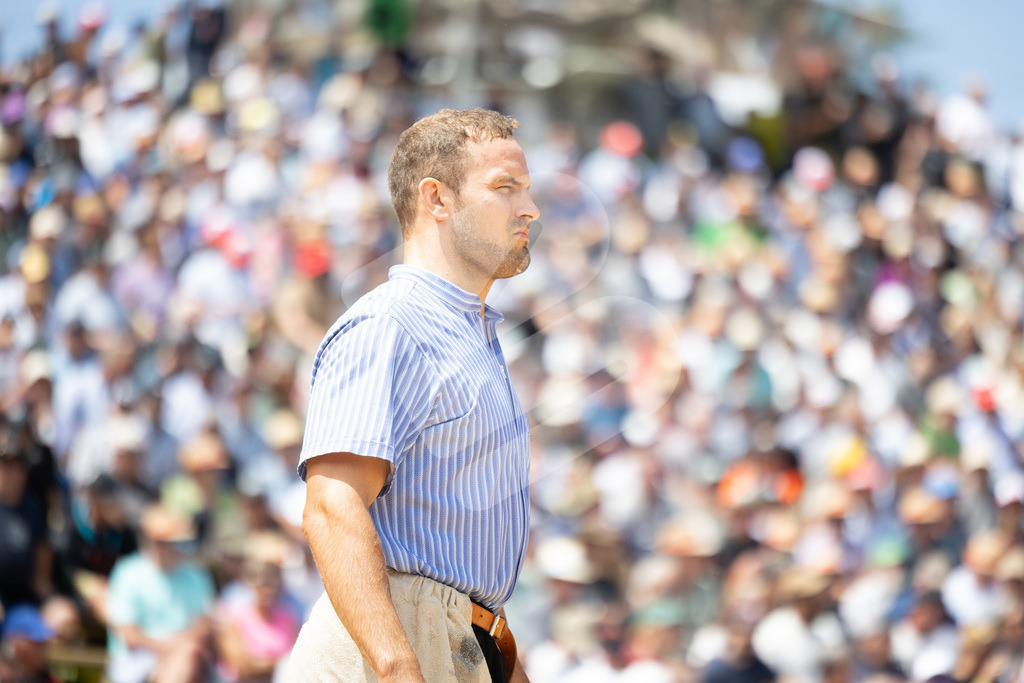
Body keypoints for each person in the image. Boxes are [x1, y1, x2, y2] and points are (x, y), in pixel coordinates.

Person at [288, 108, 540, 683]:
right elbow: (332, 507)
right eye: (505, 188)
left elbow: (466, 580)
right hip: (393, 645)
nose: (530, 209)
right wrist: (398, 667)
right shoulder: (390, 325)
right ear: (437, 199)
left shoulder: (467, 335)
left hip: (461, 642)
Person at [105, 504, 215, 683]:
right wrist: (173, 647)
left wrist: (179, 649)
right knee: (187, 656)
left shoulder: (197, 575)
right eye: (177, 542)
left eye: (186, 542)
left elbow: (204, 626)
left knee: (188, 656)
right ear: (156, 543)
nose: (184, 548)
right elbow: (129, 637)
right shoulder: (128, 574)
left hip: (188, 655)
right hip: (136, 661)